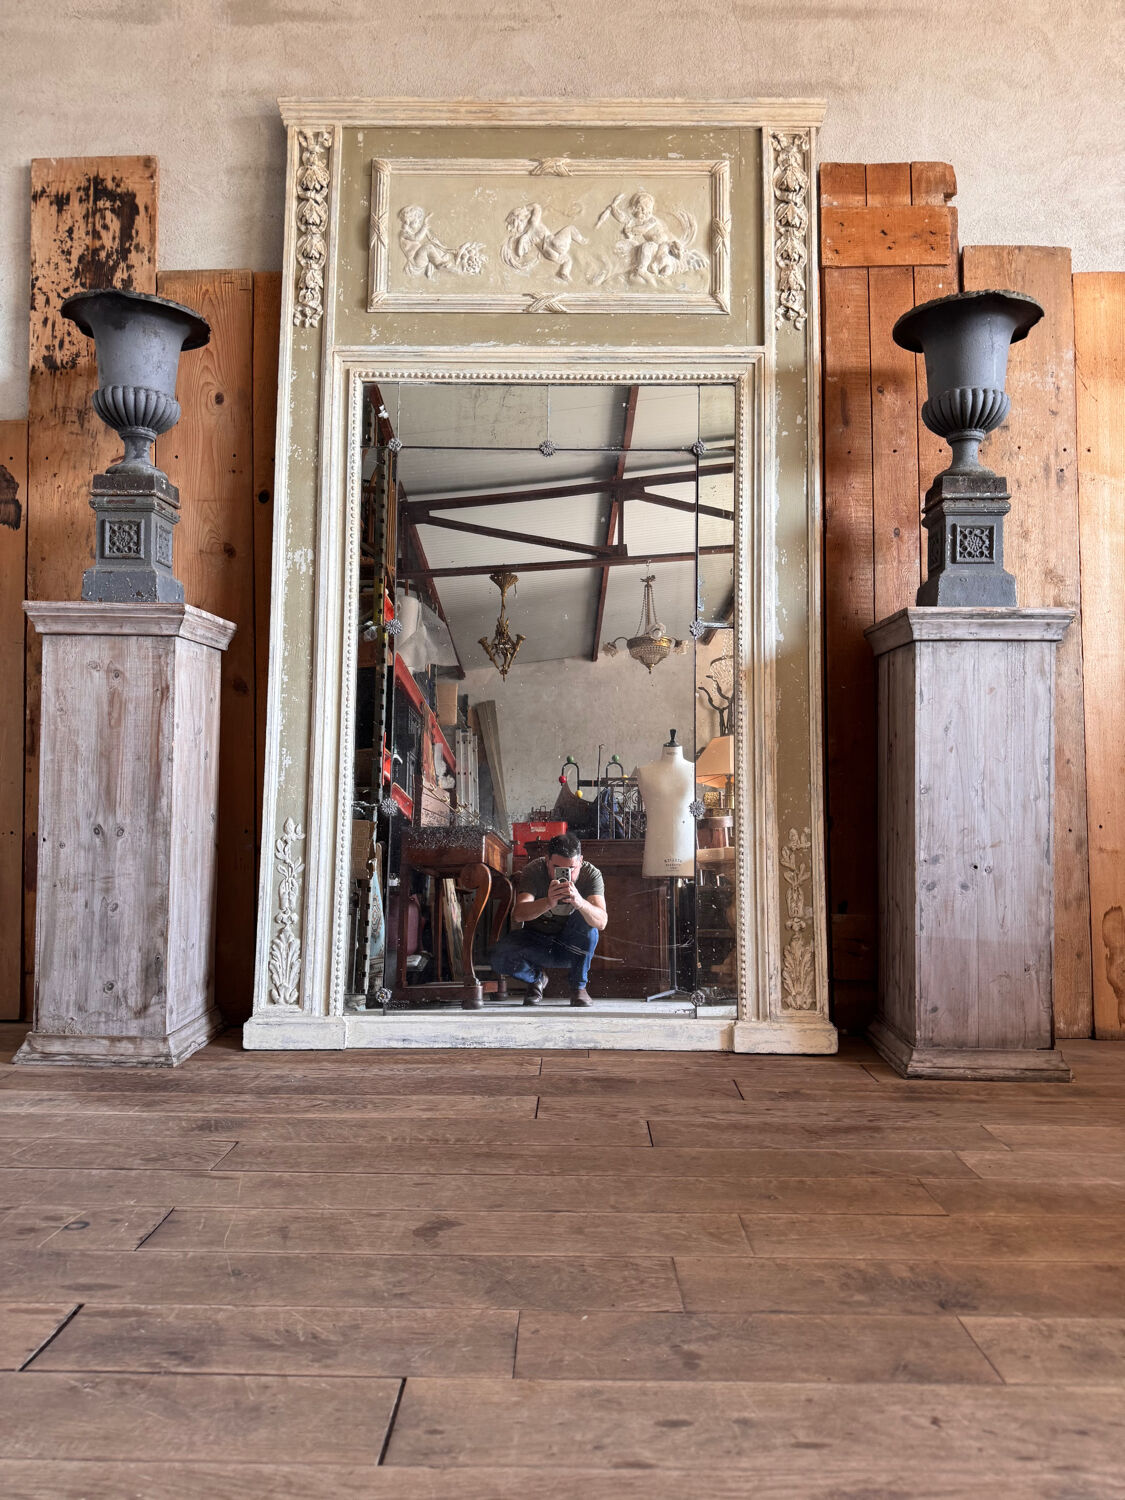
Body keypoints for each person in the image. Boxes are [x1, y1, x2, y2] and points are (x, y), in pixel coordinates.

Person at [490, 832, 607, 1006]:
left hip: (571, 946)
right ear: (547, 861)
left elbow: (601, 921)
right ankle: (536, 979)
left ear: (581, 861)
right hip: (538, 941)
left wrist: (580, 902)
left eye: (572, 868)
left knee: (588, 924)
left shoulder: (591, 874)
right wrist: (548, 902)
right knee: (499, 957)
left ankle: (578, 987)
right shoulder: (534, 870)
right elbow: (519, 914)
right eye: (557, 868)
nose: (566, 874)